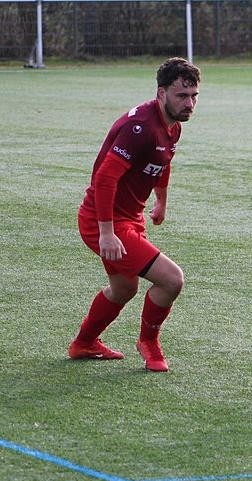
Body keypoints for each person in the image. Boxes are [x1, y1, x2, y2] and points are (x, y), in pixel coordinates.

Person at [68, 57, 200, 373]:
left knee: (124, 288)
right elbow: (104, 178)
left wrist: (161, 201)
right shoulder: (140, 128)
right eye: (182, 96)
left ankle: (84, 343)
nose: (190, 103)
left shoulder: (173, 125)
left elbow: (162, 162)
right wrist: (106, 232)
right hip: (104, 220)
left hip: (128, 218)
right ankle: (148, 342)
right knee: (172, 280)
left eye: (194, 95)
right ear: (161, 92)